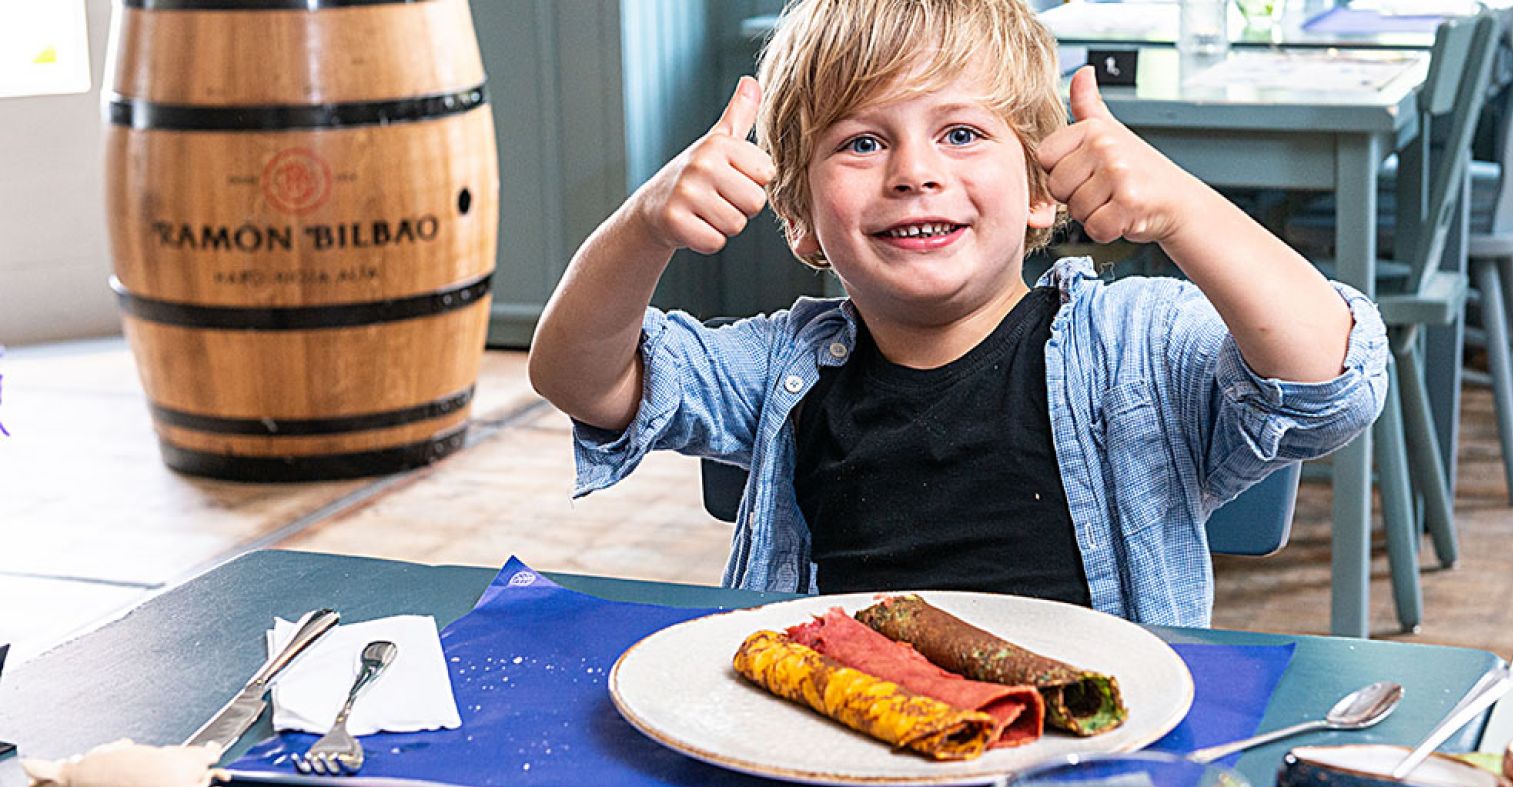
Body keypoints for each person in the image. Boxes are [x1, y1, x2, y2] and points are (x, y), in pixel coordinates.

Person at [527, 0, 1386, 627]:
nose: (913, 172)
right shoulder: (776, 365)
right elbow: (581, 379)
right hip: (837, 739)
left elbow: (1329, 384)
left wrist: (1187, 208)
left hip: (1085, 750)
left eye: (962, 135)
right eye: (862, 143)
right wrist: (640, 229)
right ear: (797, 220)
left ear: (1043, 189)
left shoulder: (1134, 346)